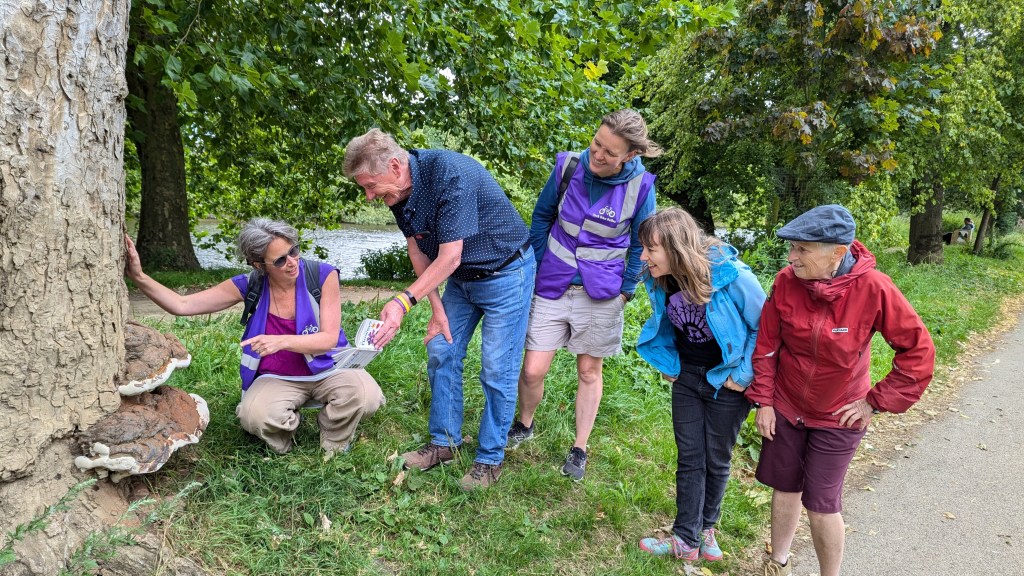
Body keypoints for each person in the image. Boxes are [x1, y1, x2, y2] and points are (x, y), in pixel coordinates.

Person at [745, 205, 935, 576]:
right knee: (784, 489)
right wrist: (764, 402)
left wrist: (873, 403)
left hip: (837, 414)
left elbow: (918, 352)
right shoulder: (786, 282)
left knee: (821, 503)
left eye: (801, 249)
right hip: (786, 404)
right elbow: (767, 345)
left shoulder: (874, 288)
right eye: (792, 248)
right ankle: (776, 564)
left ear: (837, 251)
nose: (791, 257)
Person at [342, 129, 536, 490]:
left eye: (370, 186)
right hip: (461, 279)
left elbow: (449, 255)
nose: (369, 196)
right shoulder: (398, 193)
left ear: (396, 166)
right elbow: (418, 250)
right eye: (364, 189)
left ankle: (490, 459)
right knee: (441, 347)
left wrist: (402, 302)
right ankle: (444, 442)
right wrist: (436, 309)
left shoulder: (449, 174)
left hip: (507, 272)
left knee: (497, 367)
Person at [124, 219, 385, 456]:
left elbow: (328, 339)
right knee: (253, 417)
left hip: (329, 367)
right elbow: (182, 305)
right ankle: (285, 435)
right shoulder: (250, 284)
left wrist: (280, 341)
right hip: (278, 376)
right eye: (280, 260)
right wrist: (139, 276)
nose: (292, 262)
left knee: (366, 395)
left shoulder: (322, 275)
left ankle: (335, 440)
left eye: (293, 251)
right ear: (259, 265)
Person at [506, 109, 659, 481]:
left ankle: (579, 448)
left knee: (589, 371)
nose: (598, 154)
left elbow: (644, 244)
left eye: (610, 151)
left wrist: (626, 291)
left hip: (602, 293)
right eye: (596, 143)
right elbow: (541, 217)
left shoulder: (641, 188)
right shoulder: (568, 168)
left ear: (630, 156)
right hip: (552, 284)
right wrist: (541, 261)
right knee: (532, 369)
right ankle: (524, 425)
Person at [633, 208, 766, 561]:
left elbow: (765, 326)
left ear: (676, 247)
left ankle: (706, 530)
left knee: (716, 459)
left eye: (651, 249)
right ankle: (685, 539)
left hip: (727, 381)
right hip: (688, 378)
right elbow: (666, 323)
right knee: (691, 458)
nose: (644, 256)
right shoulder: (661, 277)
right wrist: (669, 361)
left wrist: (743, 376)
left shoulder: (731, 275)